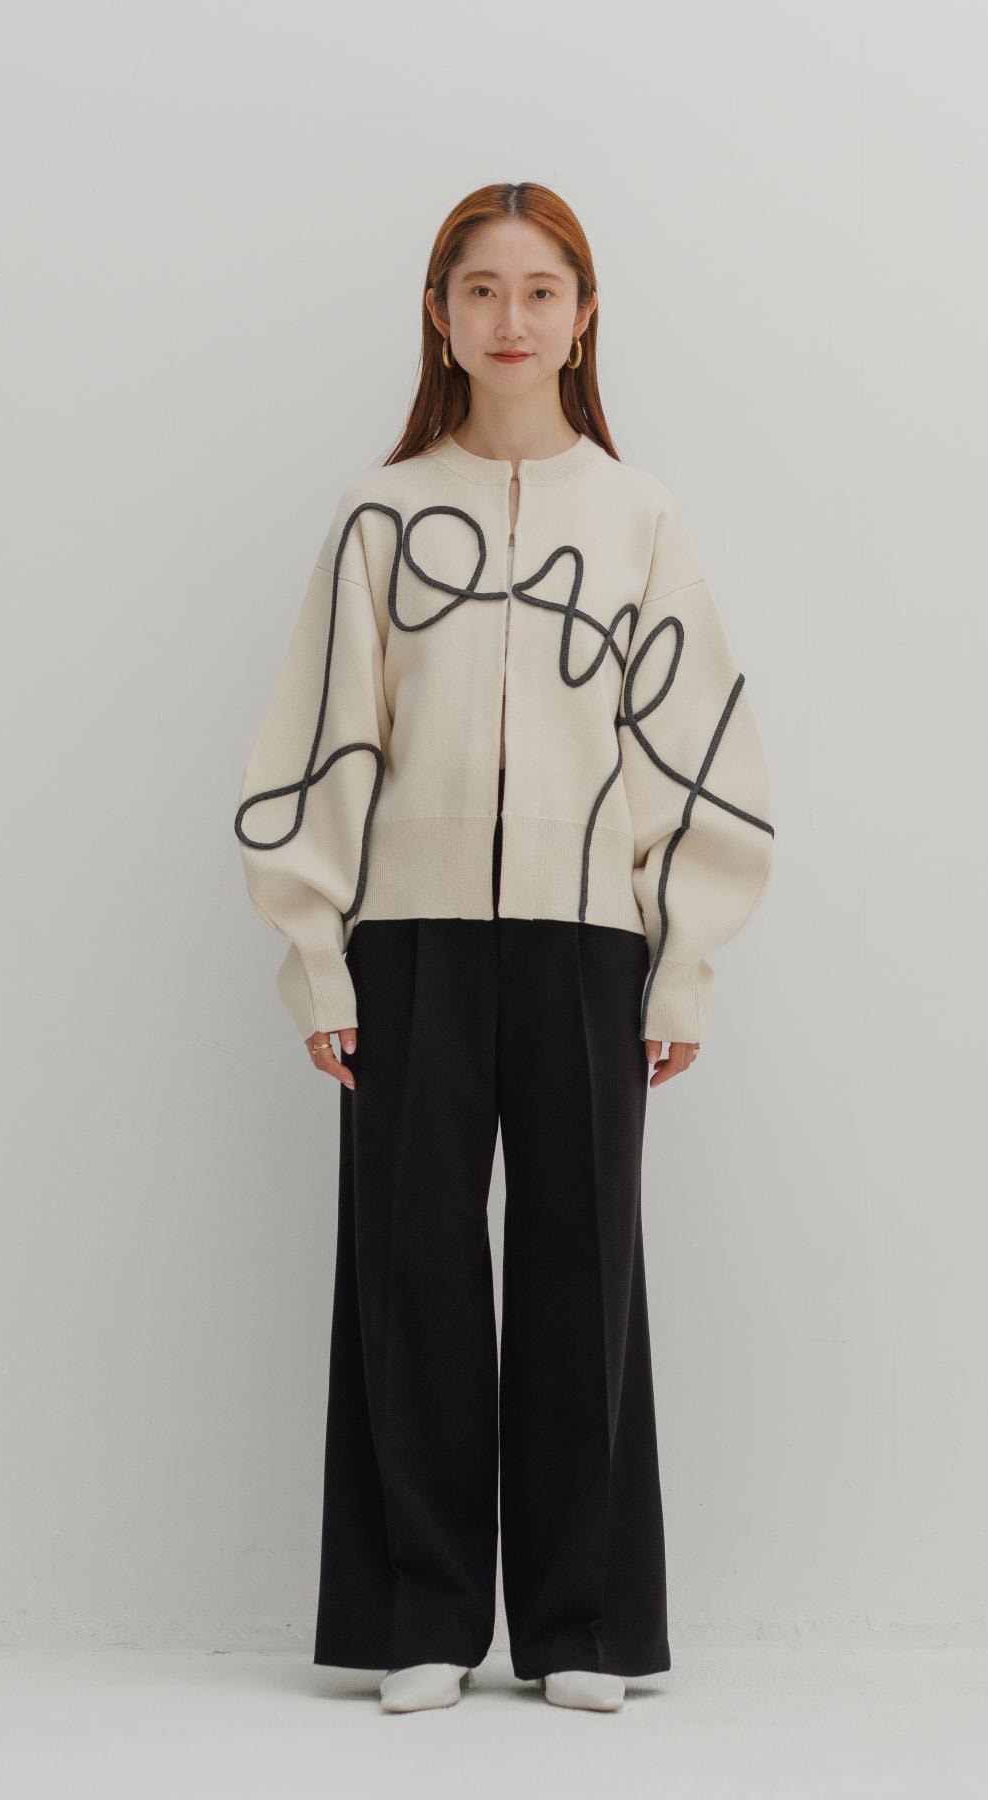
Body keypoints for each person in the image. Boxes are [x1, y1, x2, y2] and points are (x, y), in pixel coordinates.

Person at [233, 182, 776, 1714]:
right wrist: (316, 953)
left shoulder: (639, 515)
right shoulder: (380, 516)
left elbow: (696, 750)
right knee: (408, 1269)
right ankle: (420, 1614)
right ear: (440, 315)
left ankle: (582, 1624)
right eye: (482, 290)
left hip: (588, 939)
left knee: (581, 1271)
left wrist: (685, 957)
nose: (512, 318)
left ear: (584, 318)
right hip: (407, 941)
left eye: (542, 291)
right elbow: (323, 738)